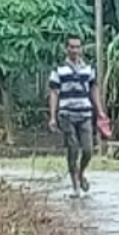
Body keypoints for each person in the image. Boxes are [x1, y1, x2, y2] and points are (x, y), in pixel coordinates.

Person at [48, 35, 108, 198]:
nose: (75, 50)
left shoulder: (88, 68)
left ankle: (80, 173)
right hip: (66, 113)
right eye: (71, 47)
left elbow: (93, 89)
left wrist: (100, 111)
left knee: (88, 150)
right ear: (66, 48)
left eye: (77, 47)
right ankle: (75, 186)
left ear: (81, 49)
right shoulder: (58, 68)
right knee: (73, 149)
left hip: (85, 113)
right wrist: (52, 116)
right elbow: (54, 92)